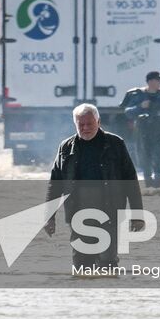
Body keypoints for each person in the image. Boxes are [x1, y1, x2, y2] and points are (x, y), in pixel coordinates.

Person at [44, 103, 144, 270]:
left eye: (89, 124)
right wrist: (49, 217)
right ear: (75, 124)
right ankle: (85, 296)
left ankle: (107, 294)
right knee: (81, 264)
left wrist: (137, 215)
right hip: (78, 213)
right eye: (80, 124)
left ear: (99, 122)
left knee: (108, 262)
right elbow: (55, 184)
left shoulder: (115, 144)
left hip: (109, 210)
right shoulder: (66, 148)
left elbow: (130, 180)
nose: (85, 128)